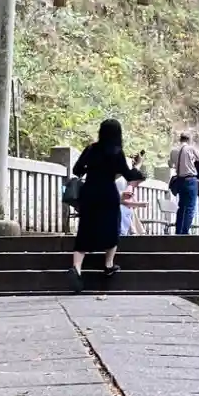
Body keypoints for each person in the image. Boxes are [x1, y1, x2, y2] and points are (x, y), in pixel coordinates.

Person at [71, 119, 143, 289]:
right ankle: (108, 265)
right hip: (107, 194)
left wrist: (91, 168)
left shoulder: (90, 149)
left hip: (88, 193)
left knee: (85, 228)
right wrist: (138, 165)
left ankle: (76, 269)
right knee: (112, 227)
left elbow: (76, 170)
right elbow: (129, 175)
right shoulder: (117, 152)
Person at [169, 130, 199, 234]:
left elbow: (170, 164)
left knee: (181, 207)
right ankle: (185, 233)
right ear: (189, 140)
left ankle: (178, 232)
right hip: (190, 180)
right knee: (190, 207)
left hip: (180, 180)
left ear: (180, 139)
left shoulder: (174, 150)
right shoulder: (191, 148)